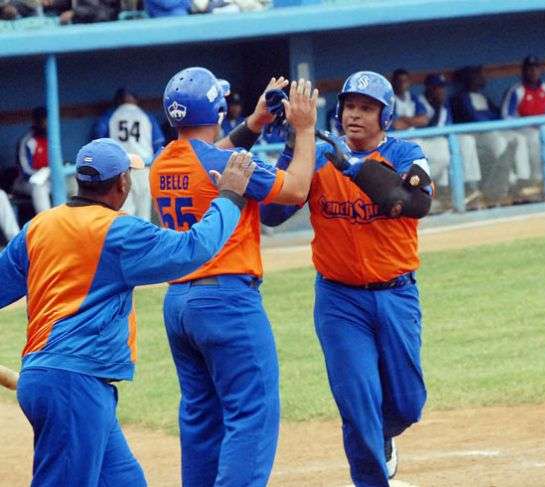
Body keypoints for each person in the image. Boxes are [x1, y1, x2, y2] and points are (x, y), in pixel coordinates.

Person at [0, 137, 254, 487]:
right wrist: (229, 197)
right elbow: (195, 248)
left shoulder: (40, 227)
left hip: (58, 380)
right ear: (121, 183)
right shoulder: (118, 231)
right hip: (75, 382)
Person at [150, 67, 318, 487]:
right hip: (226, 301)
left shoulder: (162, 163)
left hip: (180, 304)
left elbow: (212, 154)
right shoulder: (225, 162)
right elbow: (297, 188)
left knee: (201, 417)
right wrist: (306, 127)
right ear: (218, 110)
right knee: (252, 412)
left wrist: (257, 122)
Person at [261, 70, 430, 486]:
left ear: (385, 116)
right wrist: (292, 148)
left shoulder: (406, 153)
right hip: (340, 301)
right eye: (350, 106)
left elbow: (411, 202)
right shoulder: (316, 158)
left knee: (408, 404)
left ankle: (385, 436)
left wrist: (351, 165)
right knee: (358, 404)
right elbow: (271, 214)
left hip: (396, 295)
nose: (355, 115)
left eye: (367, 109)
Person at [93, 88, 166, 221]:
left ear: (118, 100)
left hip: (120, 171)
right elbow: (159, 144)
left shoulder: (111, 115)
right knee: (144, 215)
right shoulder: (146, 116)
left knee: (125, 214)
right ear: (136, 100)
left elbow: (98, 137)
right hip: (144, 168)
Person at [451, 65, 519, 206]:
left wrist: (488, 116)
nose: (481, 78)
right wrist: (488, 116)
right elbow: (474, 117)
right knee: (497, 140)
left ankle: (522, 180)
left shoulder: (482, 97)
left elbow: (498, 115)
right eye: (477, 75)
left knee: (517, 138)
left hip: (488, 132)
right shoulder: (461, 97)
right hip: (472, 134)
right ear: (468, 79)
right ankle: (508, 180)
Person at [417, 72, 483, 210]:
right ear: (429, 88)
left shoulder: (443, 102)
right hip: (424, 142)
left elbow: (448, 127)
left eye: (442, 87)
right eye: (437, 88)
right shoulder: (420, 102)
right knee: (442, 149)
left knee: (466, 140)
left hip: (441, 140)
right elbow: (426, 126)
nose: (441, 91)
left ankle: (471, 187)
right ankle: (442, 191)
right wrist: (437, 107)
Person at [501, 55, 545, 193]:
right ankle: (536, 179)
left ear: (540, 70)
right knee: (535, 138)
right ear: (523, 71)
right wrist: (528, 123)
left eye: (536, 68)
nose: (533, 72)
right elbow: (506, 116)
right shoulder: (516, 90)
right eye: (529, 68)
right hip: (523, 129)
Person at [14, 106, 51, 216]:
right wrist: (44, 173)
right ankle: (48, 225)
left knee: (73, 181)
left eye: (47, 120)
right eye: (43, 120)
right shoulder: (27, 141)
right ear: (36, 122)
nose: (46, 124)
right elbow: (24, 171)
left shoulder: (51, 139)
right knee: (39, 187)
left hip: (48, 180)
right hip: (25, 182)